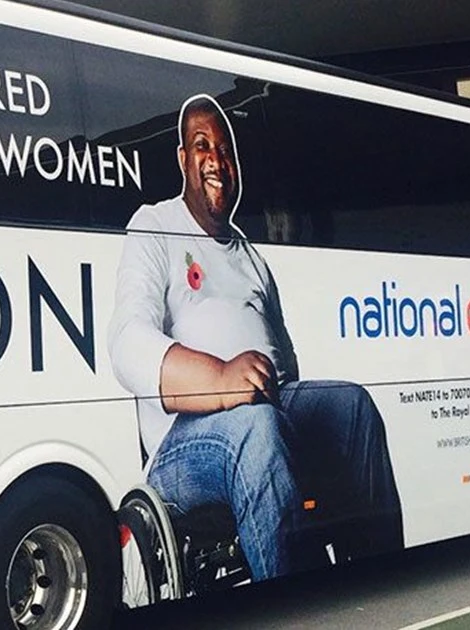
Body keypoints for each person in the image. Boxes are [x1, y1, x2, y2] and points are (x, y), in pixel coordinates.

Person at [110, 94, 403, 584]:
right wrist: (222, 378)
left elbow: (285, 366)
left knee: (351, 407)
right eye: (202, 145)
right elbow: (126, 343)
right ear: (182, 159)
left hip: (266, 410)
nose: (216, 160)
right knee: (256, 427)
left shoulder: (251, 260)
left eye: (225, 151)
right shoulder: (155, 226)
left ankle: (382, 588)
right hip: (184, 443)